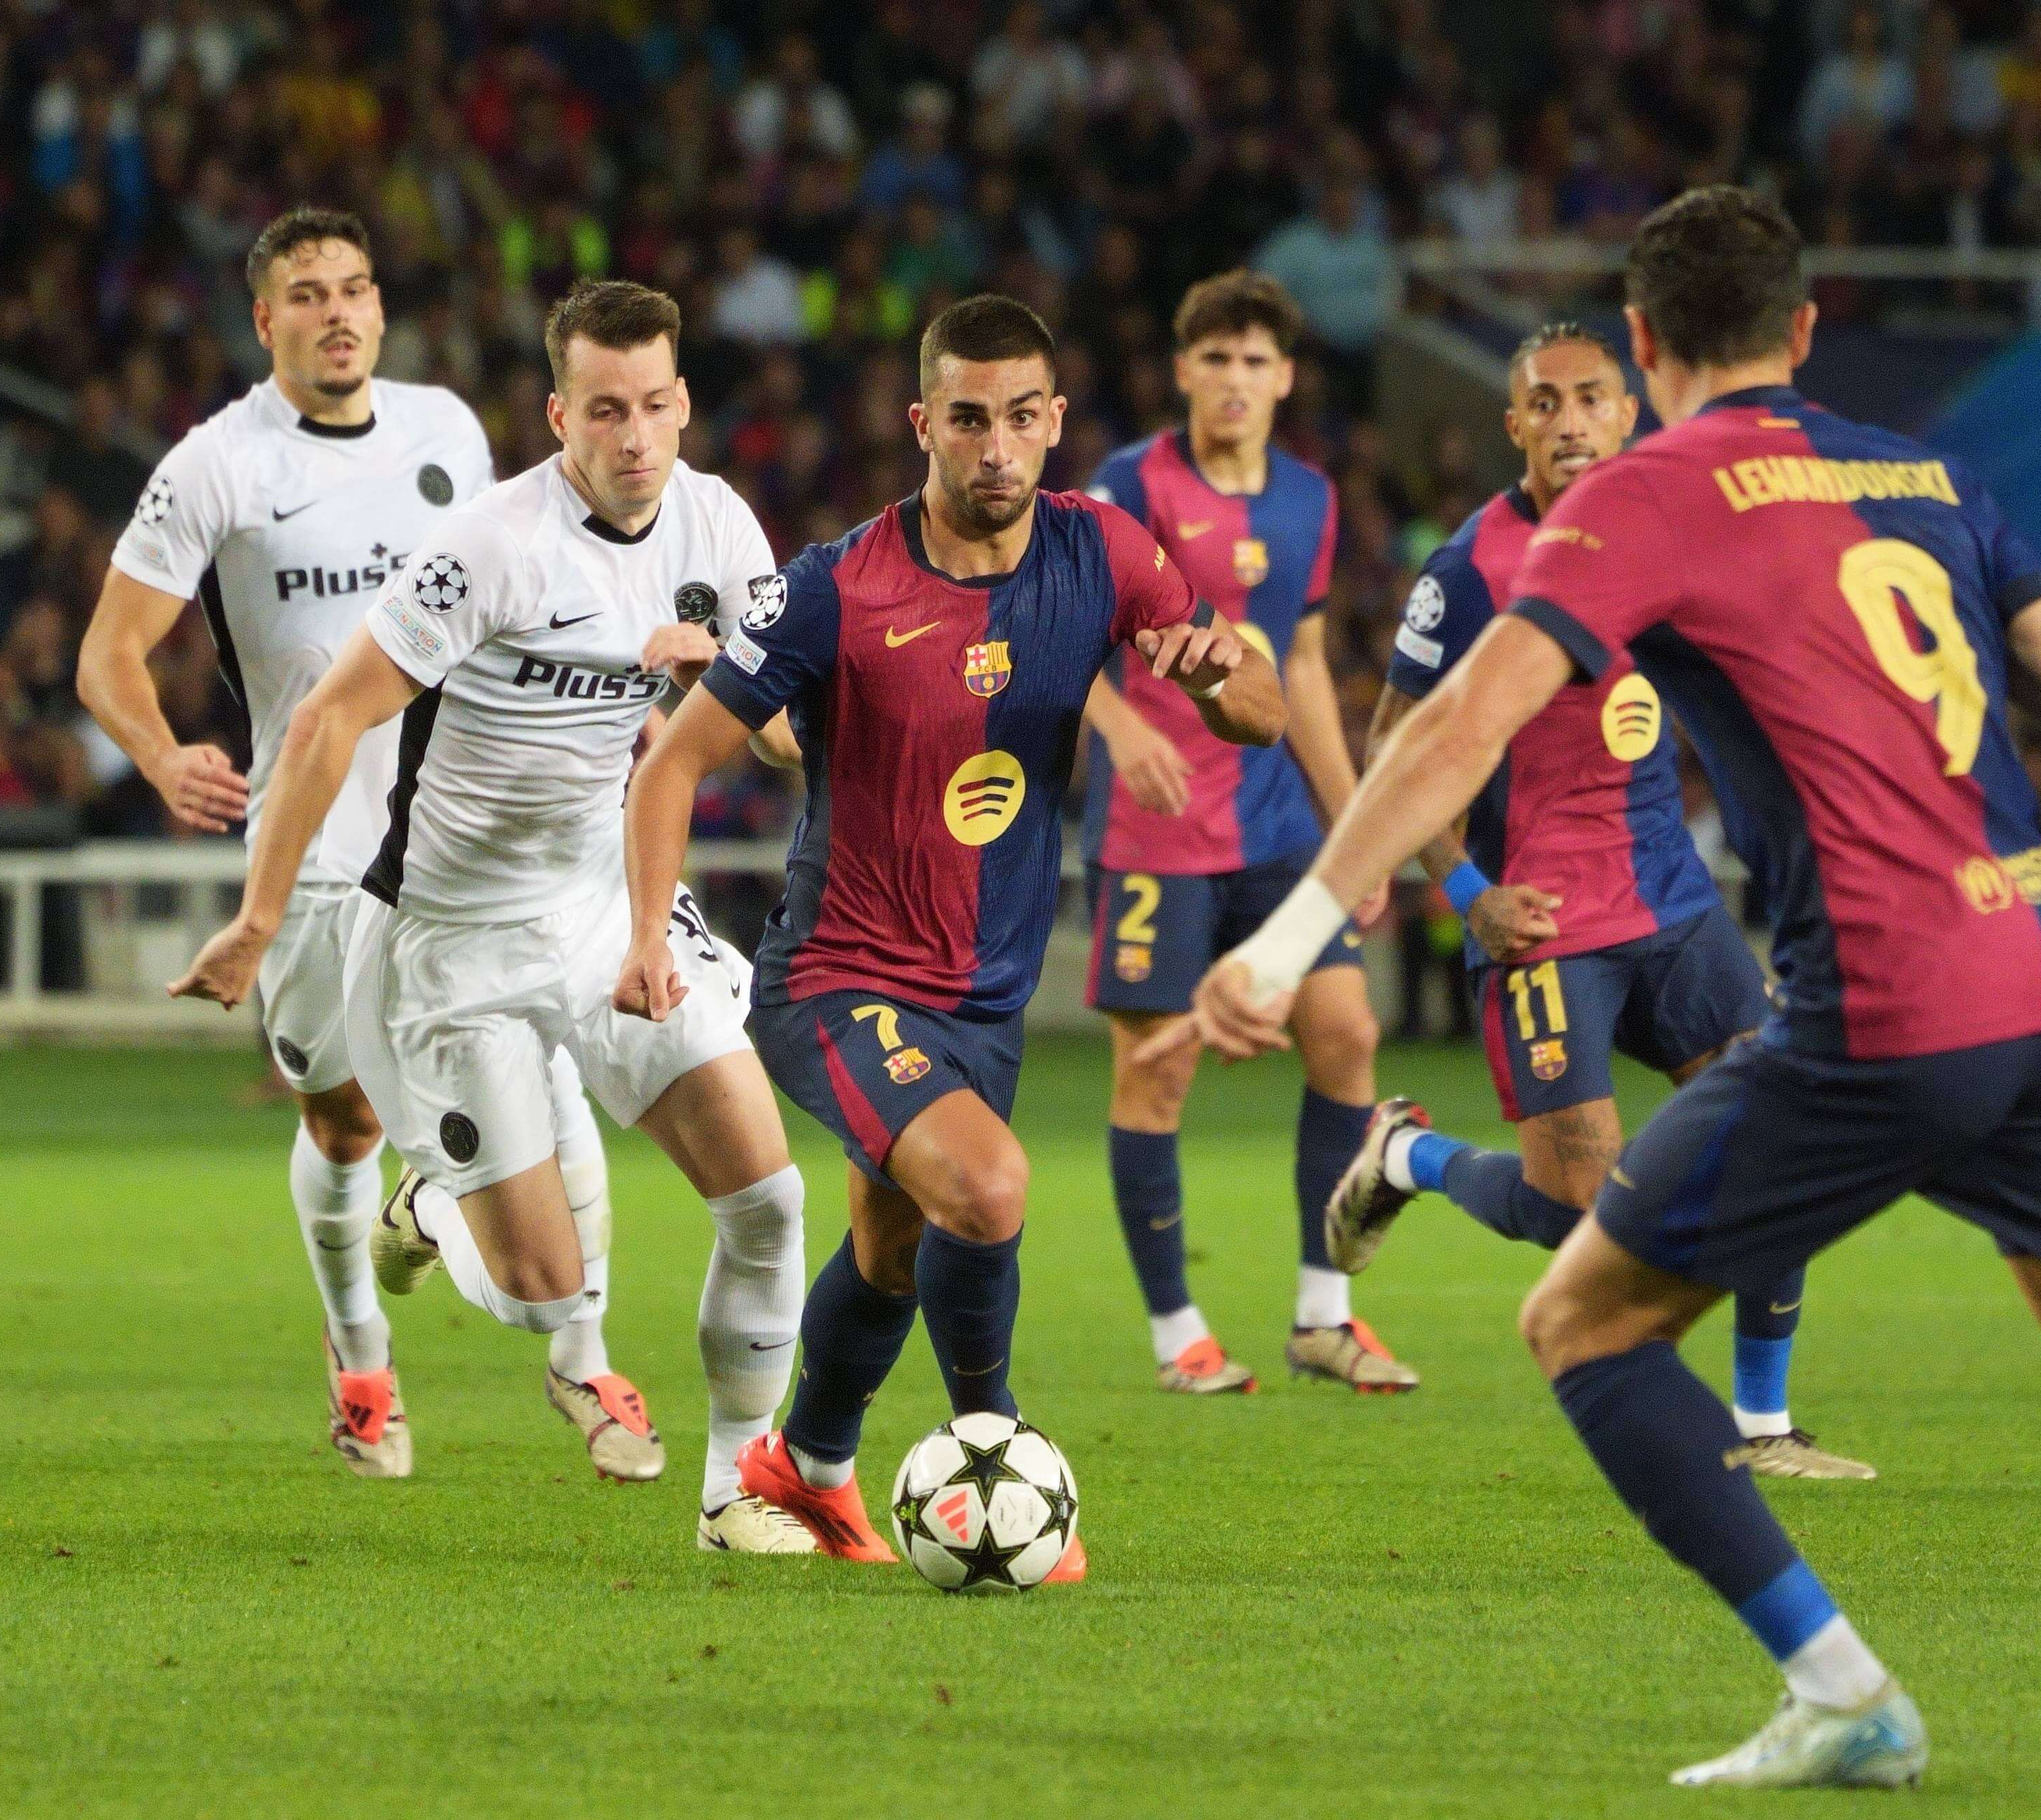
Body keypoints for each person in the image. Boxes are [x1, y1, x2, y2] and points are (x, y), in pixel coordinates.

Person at [1160, 187, 2041, 1793]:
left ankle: (1842, 1689)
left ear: (1640, 343)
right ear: (1803, 329)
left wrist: (1286, 940)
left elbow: (1454, 726)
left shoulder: (1647, 494)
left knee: (1582, 1320)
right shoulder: (1926, 475)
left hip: (1886, 1001)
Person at [617, 294, 1285, 1571]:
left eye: (1020, 418)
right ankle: (996, 1445)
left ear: (1055, 422)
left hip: (984, 991)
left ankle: (806, 1466)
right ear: (922, 423)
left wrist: (1216, 672)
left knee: (891, 1246)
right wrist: (649, 933)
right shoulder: (836, 586)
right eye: (968, 419)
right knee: (986, 1185)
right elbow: (673, 764)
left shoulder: (1104, 553)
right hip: (836, 976)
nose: (995, 447)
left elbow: (1258, 707)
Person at [168, 279, 818, 1556]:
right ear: (559, 416)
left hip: (601, 903)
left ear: (685, 404)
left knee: (770, 1196)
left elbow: (789, 736)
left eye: (655, 406)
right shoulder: (492, 545)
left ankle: (735, 1491)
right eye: (605, 410)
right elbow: (328, 719)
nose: (635, 436)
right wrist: (256, 917)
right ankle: (430, 1206)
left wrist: (726, 688)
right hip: (446, 940)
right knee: (543, 1293)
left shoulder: (719, 527)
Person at [78, 209, 646, 1485]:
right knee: (341, 1123)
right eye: (306, 293)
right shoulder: (217, 466)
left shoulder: (447, 430)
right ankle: (360, 1353)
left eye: (354, 287)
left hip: (465, 840)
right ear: (264, 318)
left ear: (381, 308)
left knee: (547, 1084)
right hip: (318, 854)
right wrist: (162, 754)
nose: (335, 310)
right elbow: (107, 654)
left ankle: (586, 1358)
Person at [1342, 320, 1866, 1478]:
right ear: (1514, 424)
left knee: (1779, 1139)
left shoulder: (1677, 531)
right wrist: (1467, 890)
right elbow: (1391, 747)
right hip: (1541, 920)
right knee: (1575, 1209)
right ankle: (1406, 1157)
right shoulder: (1471, 570)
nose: (1571, 420)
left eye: (1592, 398)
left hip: (1673, 904)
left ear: (1629, 412)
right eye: (1546, 402)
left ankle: (1764, 1426)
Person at [1078, 271, 1413, 1395]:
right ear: (1182, 370)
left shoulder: (1309, 497)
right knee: (1155, 1073)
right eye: (1214, 357)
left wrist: (1354, 823)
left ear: (1285, 377)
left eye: (1254, 359)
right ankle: (1178, 1331)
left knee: (1347, 1033)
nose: (1234, 377)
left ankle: (1324, 1314)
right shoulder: (1130, 485)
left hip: (1274, 828)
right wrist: (1123, 724)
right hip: (1155, 831)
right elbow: (1054, 635)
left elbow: (1302, 664)